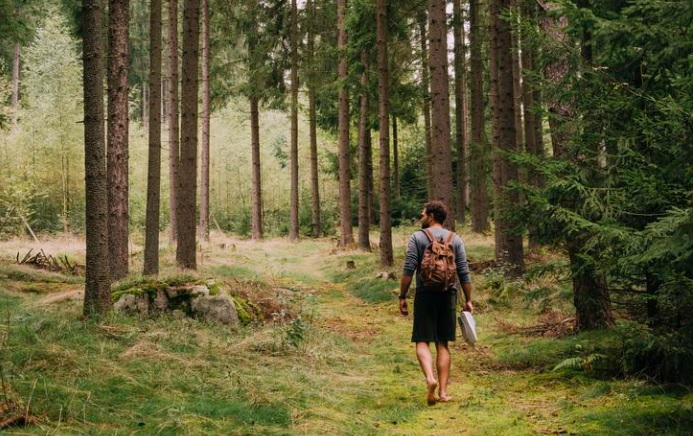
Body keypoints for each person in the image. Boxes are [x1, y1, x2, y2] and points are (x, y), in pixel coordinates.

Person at [398, 200, 474, 405]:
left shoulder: (418, 237)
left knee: (422, 340)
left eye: (423, 214)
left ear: (431, 216)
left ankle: (430, 379)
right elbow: (463, 272)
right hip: (448, 294)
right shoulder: (455, 239)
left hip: (425, 293)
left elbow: (409, 268)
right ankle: (442, 393)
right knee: (443, 343)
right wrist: (468, 300)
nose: (421, 217)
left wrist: (402, 296)